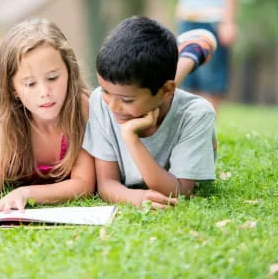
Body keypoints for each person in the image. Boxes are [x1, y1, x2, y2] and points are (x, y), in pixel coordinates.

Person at [0, 18, 96, 213]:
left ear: (69, 72)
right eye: (30, 83)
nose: (44, 92)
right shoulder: (6, 123)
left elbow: (84, 184)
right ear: (13, 89)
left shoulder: (81, 108)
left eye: (53, 77)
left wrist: (26, 193)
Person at [83, 16, 216, 209]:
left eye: (126, 100)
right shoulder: (99, 102)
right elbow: (106, 184)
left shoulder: (196, 114)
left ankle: (189, 54)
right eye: (105, 91)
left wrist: (131, 139)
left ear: (167, 90)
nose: (112, 106)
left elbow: (180, 191)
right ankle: (189, 54)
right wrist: (133, 197)